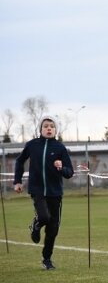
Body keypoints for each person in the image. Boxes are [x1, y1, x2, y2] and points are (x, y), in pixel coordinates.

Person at [14, 115, 74, 270]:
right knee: (44, 217)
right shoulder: (32, 145)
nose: (49, 128)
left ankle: (46, 259)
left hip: (55, 192)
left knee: (53, 228)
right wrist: (17, 181)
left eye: (52, 126)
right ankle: (36, 224)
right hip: (38, 190)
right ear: (40, 129)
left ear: (55, 130)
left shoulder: (60, 148)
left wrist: (61, 167)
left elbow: (69, 172)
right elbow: (19, 161)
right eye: (46, 126)